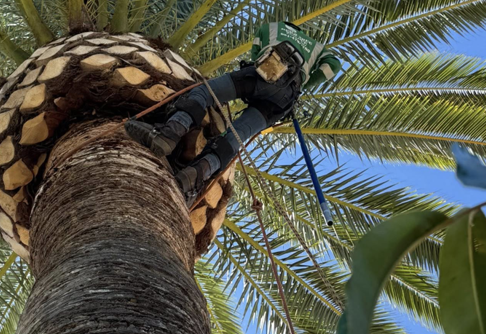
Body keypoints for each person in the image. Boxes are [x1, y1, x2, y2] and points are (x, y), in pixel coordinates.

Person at [125, 22, 341, 202]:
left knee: (203, 93)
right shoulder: (317, 47)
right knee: (237, 137)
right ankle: (195, 176)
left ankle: (167, 135)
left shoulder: (272, 27)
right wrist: (303, 84)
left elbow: (256, 55)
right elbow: (333, 65)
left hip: (265, 74)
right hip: (286, 98)